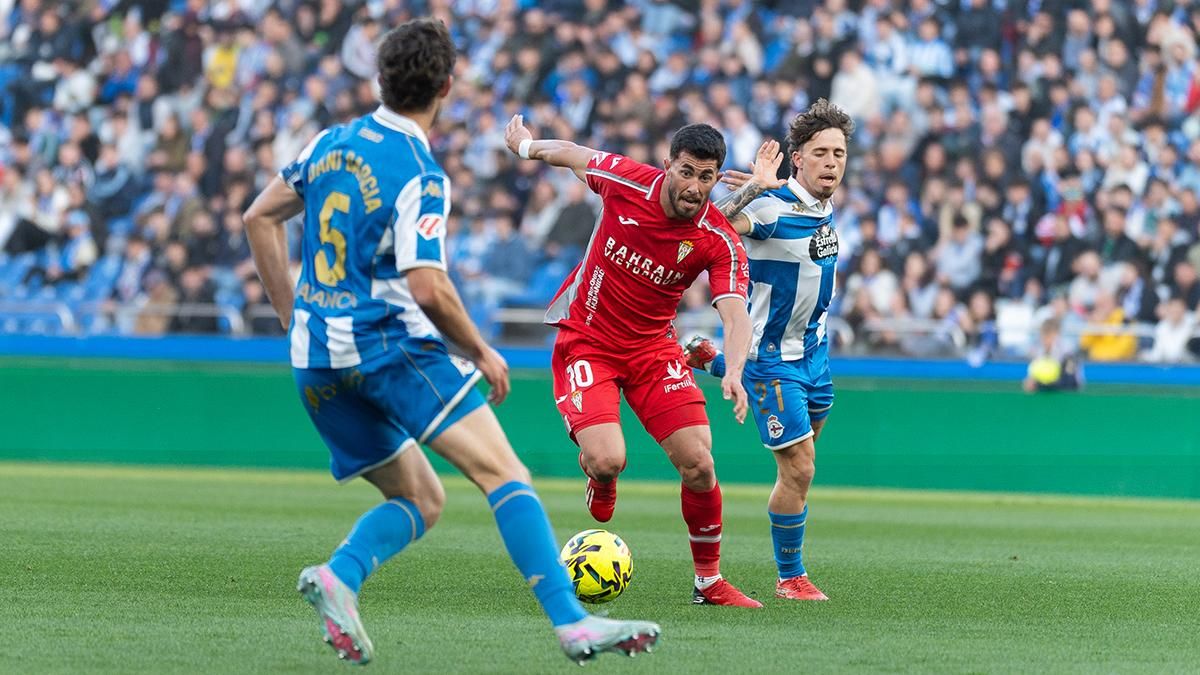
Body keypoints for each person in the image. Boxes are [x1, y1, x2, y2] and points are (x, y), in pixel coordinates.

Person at [242, 19, 659, 666]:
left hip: (315, 358)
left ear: (380, 78)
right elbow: (429, 286)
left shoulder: (330, 141)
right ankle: (573, 623)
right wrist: (480, 350)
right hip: (387, 347)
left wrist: (291, 315)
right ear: (446, 85)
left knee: (421, 498)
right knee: (506, 475)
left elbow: (258, 216)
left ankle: (339, 576)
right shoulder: (419, 170)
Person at [503, 114, 764, 608]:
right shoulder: (627, 181)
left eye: (706, 177)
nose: (694, 186)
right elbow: (573, 155)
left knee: (699, 464)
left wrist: (733, 370)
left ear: (716, 178)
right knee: (608, 459)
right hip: (588, 339)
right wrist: (526, 147)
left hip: (653, 350)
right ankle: (597, 475)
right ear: (668, 165)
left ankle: (708, 583)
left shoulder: (719, 239)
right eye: (686, 171)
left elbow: (735, 315)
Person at [683, 98, 856, 602]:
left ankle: (709, 360)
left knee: (803, 464)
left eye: (839, 154)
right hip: (771, 358)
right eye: (821, 152)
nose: (832, 162)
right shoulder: (771, 208)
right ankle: (790, 577)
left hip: (814, 358)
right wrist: (755, 186)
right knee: (799, 467)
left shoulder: (820, 208)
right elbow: (705, 227)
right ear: (796, 158)